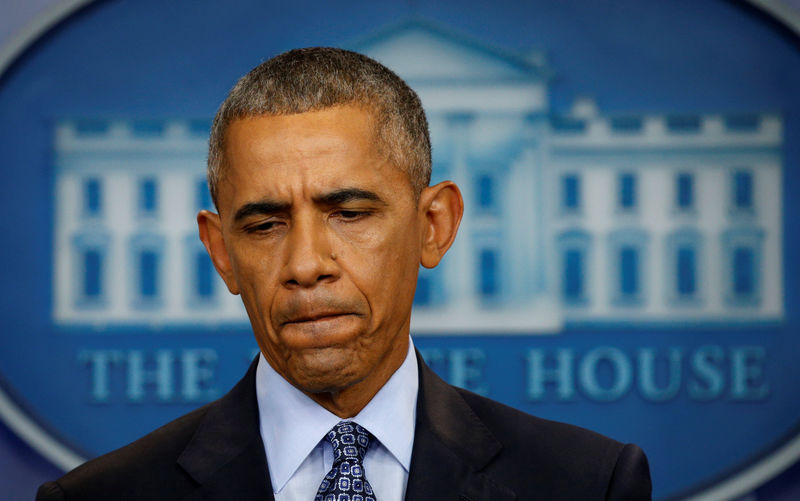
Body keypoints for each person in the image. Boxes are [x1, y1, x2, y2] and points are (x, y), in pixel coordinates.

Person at [37, 47, 651, 501]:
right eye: (264, 225)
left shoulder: (587, 485)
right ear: (222, 253)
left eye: (349, 214)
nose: (306, 265)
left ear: (434, 225)